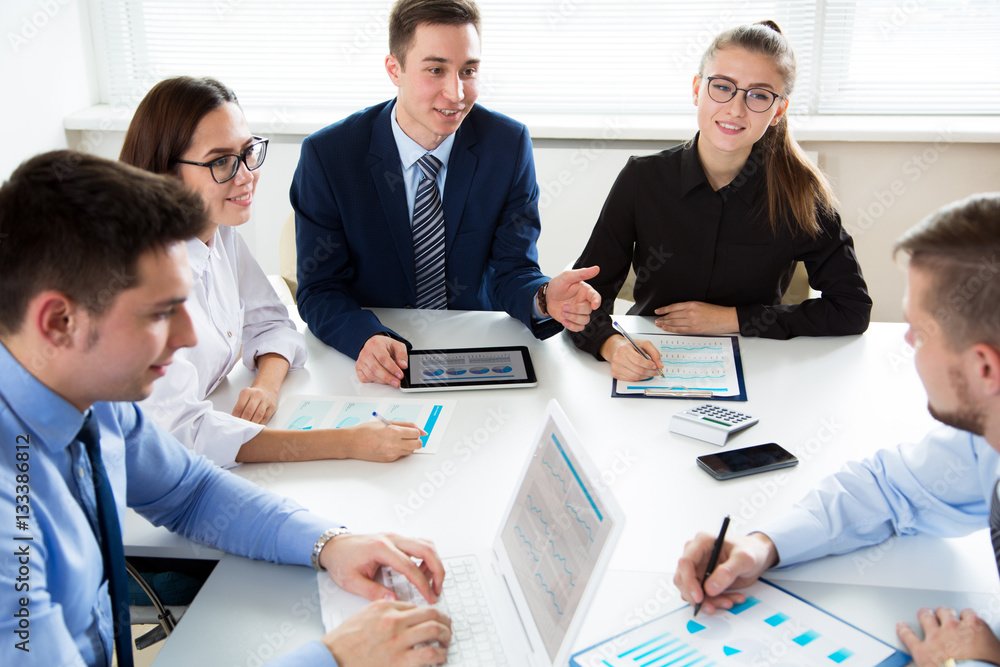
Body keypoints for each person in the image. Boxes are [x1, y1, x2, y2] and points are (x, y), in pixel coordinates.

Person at [0, 151, 451, 666]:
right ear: (58, 322)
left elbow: (190, 492)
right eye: (159, 314)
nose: (189, 336)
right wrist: (335, 659)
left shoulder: (91, 397)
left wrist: (330, 543)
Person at [674, 193, 1000, 667]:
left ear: (985, 367)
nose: (907, 342)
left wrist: (962, 663)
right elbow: (889, 488)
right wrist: (763, 546)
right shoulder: (984, 438)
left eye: (919, 331)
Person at [291, 0, 601, 388]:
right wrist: (366, 338)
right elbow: (320, 289)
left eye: (468, 71)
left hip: (478, 348)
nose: (456, 93)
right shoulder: (330, 155)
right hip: (374, 356)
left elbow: (513, 269)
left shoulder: (506, 145)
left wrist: (543, 298)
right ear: (395, 70)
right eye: (436, 70)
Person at [120, 76, 425, 467]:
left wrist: (266, 386)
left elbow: (273, 323)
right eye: (221, 162)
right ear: (166, 172)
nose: (246, 175)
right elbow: (188, 437)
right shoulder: (138, 279)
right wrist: (348, 443)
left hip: (217, 419)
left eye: (248, 152)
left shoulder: (219, 231)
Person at [568, 21, 872, 381]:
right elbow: (583, 300)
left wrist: (732, 318)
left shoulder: (801, 193)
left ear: (778, 110)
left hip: (760, 364)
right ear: (697, 89)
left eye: (758, 95)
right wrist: (612, 346)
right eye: (722, 87)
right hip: (654, 358)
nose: (735, 109)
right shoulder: (642, 178)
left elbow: (851, 308)